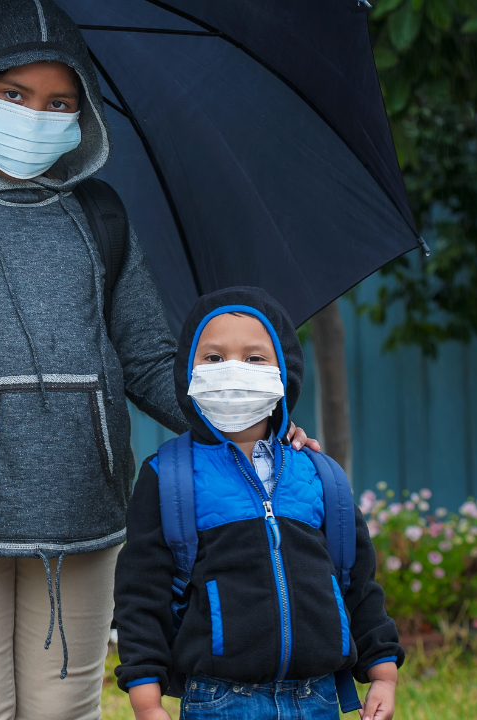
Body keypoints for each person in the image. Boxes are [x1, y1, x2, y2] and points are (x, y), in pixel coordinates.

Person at [0, 2, 315, 718]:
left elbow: (146, 359)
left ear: (84, 117)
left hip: (82, 510)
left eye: (58, 102)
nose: (34, 114)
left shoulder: (98, 215)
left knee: (67, 709)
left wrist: (248, 426)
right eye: (13, 94)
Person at [113, 286, 402, 720]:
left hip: (317, 697)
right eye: (212, 357)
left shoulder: (318, 473)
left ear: (284, 371)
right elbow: (141, 593)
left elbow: (356, 582)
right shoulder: (167, 477)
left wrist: (382, 673)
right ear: (186, 372)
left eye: (254, 358)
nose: (233, 370)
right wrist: (146, 698)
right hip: (220, 700)